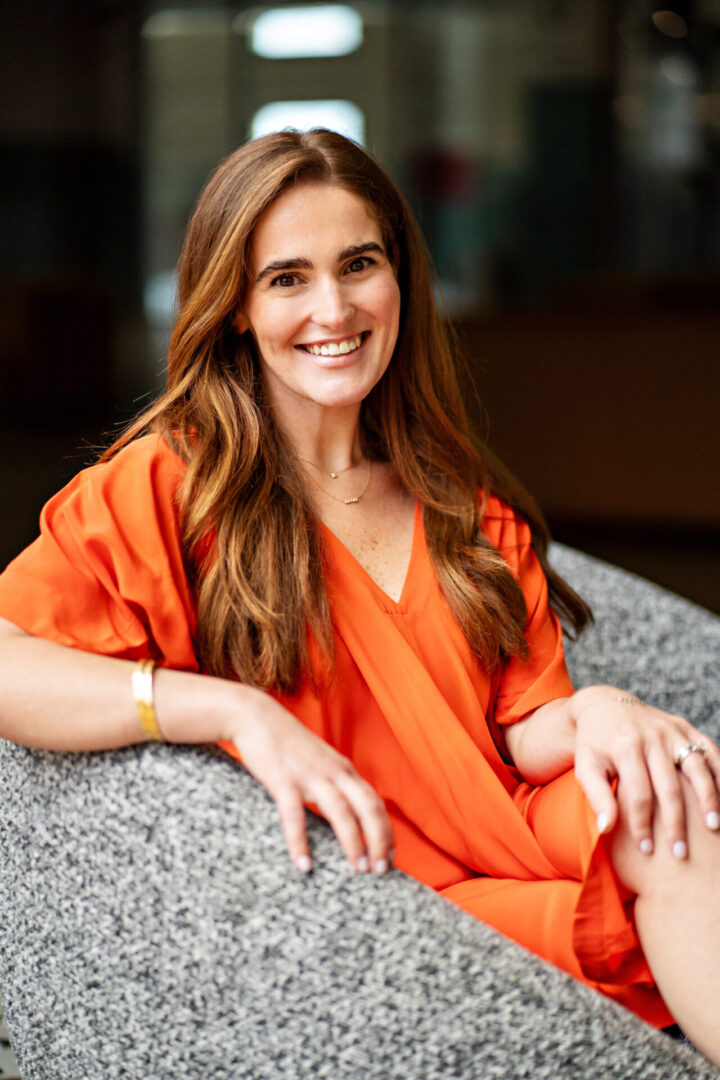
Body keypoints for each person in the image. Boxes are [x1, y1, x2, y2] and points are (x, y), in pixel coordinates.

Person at [0, 128, 719, 1064]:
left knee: (678, 806)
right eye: (286, 278)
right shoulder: (169, 488)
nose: (333, 308)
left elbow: (520, 730)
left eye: (358, 264)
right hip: (370, 902)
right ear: (235, 307)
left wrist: (604, 713)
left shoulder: (464, 508)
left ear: (400, 280)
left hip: (508, 843)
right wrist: (230, 710)